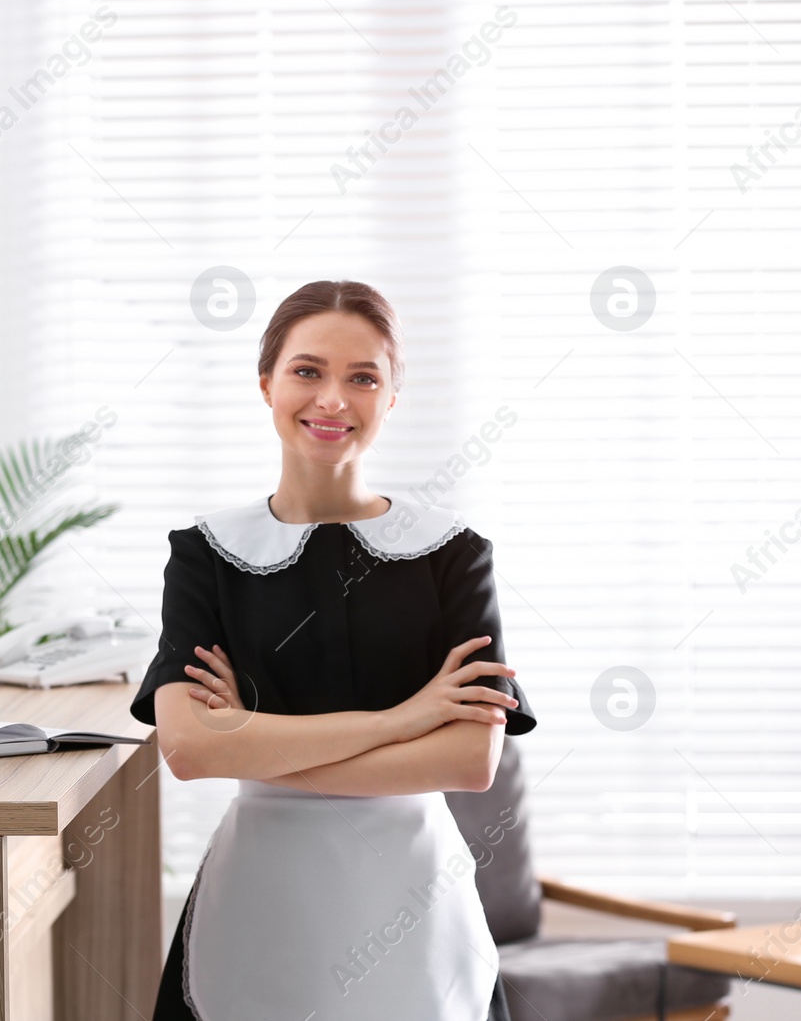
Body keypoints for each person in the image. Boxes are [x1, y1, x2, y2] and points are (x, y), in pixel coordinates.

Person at [129, 279, 537, 1020]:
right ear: (266, 383)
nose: (332, 400)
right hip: (261, 896)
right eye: (308, 371)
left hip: (414, 897)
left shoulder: (453, 554)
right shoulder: (206, 555)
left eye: (363, 378)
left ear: (392, 396)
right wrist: (406, 718)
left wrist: (252, 740)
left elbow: (470, 761)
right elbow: (188, 750)